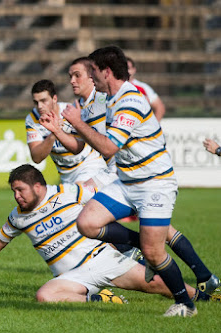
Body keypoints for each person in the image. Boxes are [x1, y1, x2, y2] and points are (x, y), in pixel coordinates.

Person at [42, 57, 220, 294]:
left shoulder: (109, 100)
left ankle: (121, 260)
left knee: (77, 202)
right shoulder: (83, 106)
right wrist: (57, 130)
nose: (72, 80)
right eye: (70, 76)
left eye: (78, 75)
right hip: (121, 175)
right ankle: (204, 276)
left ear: (93, 76)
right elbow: (80, 145)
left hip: (125, 173)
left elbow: (108, 142)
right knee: (162, 231)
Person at [61, 45, 197, 317]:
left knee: (156, 254)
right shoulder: (109, 98)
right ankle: (145, 246)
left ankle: (186, 304)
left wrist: (78, 123)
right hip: (127, 182)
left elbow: (109, 147)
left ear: (106, 72)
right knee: (87, 223)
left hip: (154, 184)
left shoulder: (129, 101)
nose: (91, 77)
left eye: (94, 72)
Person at [0, 165, 216, 305]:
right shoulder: (18, 215)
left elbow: (106, 203)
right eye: (13, 191)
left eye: (20, 190)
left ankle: (205, 298)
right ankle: (97, 299)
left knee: (162, 284)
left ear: (37, 186)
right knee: (45, 296)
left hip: (103, 259)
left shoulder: (70, 193)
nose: (16, 196)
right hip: (72, 277)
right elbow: (0, 238)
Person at [26, 79, 107, 184]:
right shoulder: (32, 119)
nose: (40, 106)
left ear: (54, 98)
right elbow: (37, 157)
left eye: (43, 101)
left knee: (80, 195)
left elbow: (77, 148)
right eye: (36, 102)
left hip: (88, 164)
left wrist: (57, 131)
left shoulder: (69, 111)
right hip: (65, 174)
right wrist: (53, 133)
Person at [127, 57, 166, 121]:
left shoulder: (142, 87)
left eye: (128, 68)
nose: (125, 71)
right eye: (122, 68)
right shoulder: (112, 87)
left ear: (134, 70)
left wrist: (154, 127)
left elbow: (160, 107)